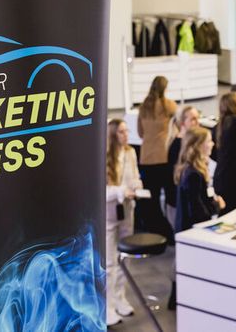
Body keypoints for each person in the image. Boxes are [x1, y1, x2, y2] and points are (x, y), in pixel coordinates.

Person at [172, 126, 226, 311]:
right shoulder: (193, 174)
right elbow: (197, 211)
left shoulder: (193, 169)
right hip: (191, 230)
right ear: (198, 146)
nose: (212, 144)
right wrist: (216, 205)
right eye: (208, 141)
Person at [105, 119, 144, 326]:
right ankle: (108, 306)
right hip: (110, 214)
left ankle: (120, 298)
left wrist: (136, 187)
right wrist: (122, 191)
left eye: (126, 131)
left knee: (124, 258)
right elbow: (101, 193)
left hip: (128, 211)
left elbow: (136, 177)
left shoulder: (130, 153)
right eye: (121, 132)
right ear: (113, 135)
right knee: (109, 263)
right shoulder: (103, 157)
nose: (126, 134)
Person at [136, 75, 178, 242]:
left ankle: (154, 231)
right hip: (163, 157)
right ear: (165, 88)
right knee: (169, 196)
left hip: (146, 157)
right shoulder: (170, 105)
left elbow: (140, 133)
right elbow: (177, 124)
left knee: (151, 199)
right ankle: (170, 231)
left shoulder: (143, 107)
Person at [166, 105, 200, 227]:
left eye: (198, 118)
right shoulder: (177, 146)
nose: (197, 122)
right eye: (193, 119)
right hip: (177, 203)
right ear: (182, 123)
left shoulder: (188, 143)